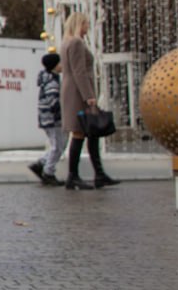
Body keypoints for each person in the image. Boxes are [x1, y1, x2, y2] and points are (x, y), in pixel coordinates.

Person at [60, 12, 118, 190]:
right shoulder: (76, 42)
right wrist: (89, 96)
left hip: (72, 90)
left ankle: (98, 174)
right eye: (85, 24)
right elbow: (79, 71)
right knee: (79, 133)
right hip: (78, 93)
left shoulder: (66, 42)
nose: (87, 28)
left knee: (91, 132)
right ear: (79, 24)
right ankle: (73, 176)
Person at [27, 52, 66, 186]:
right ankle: (48, 172)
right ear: (55, 65)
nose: (62, 65)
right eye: (60, 62)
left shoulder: (48, 79)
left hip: (46, 118)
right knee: (57, 147)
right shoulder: (52, 81)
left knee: (58, 145)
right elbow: (53, 100)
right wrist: (60, 115)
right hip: (52, 119)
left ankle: (41, 164)